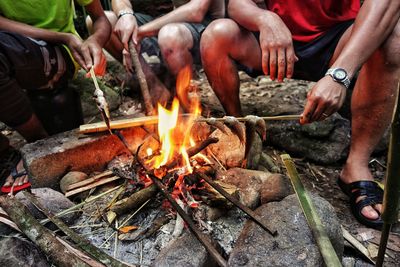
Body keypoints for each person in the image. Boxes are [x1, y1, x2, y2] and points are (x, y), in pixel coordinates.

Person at [200, 0, 400, 228]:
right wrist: (266, 19)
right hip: (274, 44)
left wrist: (339, 74)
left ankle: (356, 165)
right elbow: (237, 4)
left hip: (340, 40)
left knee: (393, 37)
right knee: (215, 35)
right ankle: (242, 133)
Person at [0, 0, 111, 192]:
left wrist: (95, 40)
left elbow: (100, 18)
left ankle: (39, 144)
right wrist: (62, 36)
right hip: (29, 43)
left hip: (58, 50)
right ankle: (6, 152)